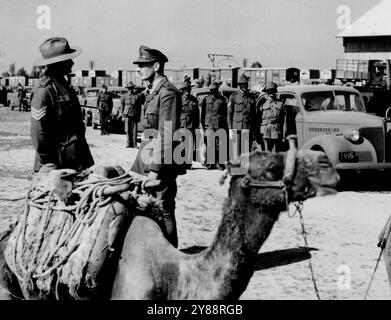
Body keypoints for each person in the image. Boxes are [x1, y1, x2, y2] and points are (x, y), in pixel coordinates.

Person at [131, 45, 186, 248]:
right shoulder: (153, 91)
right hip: (148, 157)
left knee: (163, 208)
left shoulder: (168, 93)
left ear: (156, 66)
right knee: (149, 209)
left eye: (142, 65)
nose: (138, 69)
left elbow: (167, 134)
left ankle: (171, 255)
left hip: (161, 162)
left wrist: (155, 170)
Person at [30, 36, 94, 172]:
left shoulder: (64, 85)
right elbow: (38, 131)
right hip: (56, 163)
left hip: (75, 158)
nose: (71, 62)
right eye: (67, 59)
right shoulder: (45, 90)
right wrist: (47, 163)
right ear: (57, 63)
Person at [228, 74, 257, 158]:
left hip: (248, 127)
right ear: (240, 86)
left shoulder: (251, 97)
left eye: (246, 84)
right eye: (243, 84)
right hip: (237, 127)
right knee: (237, 150)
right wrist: (230, 129)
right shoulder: (233, 97)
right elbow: (229, 113)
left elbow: (254, 114)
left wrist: (254, 129)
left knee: (246, 150)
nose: (245, 86)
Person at [201, 81, 228, 170]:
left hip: (219, 124)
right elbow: (203, 113)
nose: (213, 92)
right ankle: (210, 163)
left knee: (219, 145)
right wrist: (203, 126)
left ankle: (219, 163)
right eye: (212, 90)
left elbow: (225, 113)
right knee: (209, 144)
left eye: (215, 90)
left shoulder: (222, 99)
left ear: (217, 90)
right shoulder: (206, 99)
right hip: (208, 124)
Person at [258, 81, 286, 152]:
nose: (271, 93)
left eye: (273, 91)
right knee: (266, 152)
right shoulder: (262, 103)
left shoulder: (280, 104)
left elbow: (284, 120)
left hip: (276, 129)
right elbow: (257, 119)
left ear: (275, 92)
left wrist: (284, 133)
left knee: (275, 152)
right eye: (269, 91)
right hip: (265, 130)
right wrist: (257, 134)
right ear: (267, 92)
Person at [178, 81, 200, 169]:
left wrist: (197, 124)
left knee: (190, 145)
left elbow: (197, 113)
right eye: (186, 89)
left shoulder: (194, 99)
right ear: (183, 90)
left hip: (191, 125)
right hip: (181, 125)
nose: (188, 91)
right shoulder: (179, 99)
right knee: (181, 144)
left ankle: (188, 163)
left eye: (189, 89)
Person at [120, 81, 142, 148]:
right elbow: (122, 105)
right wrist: (122, 115)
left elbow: (139, 107)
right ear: (127, 89)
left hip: (134, 114)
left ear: (133, 88)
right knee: (128, 129)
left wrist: (139, 115)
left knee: (134, 130)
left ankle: (134, 144)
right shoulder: (124, 95)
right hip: (127, 114)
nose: (130, 89)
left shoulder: (137, 96)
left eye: (131, 88)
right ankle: (128, 143)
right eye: (129, 88)